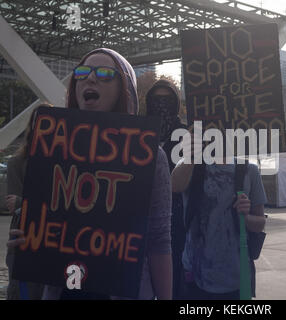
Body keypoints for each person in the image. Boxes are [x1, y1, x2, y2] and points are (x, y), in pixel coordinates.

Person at [7, 48, 173, 300]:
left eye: (105, 73)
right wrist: (28, 240)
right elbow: (42, 218)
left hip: (125, 290)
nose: (90, 79)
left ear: (124, 88)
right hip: (62, 291)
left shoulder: (150, 156)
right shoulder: (51, 148)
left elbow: (160, 240)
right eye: (82, 72)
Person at [171, 141, 267, 300]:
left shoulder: (249, 170)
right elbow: (174, 186)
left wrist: (245, 216)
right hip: (194, 278)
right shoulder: (191, 166)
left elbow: (260, 223)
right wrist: (192, 154)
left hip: (236, 280)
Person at [146, 79, 187, 299]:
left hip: (177, 219)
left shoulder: (184, 134)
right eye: (156, 100)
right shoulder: (136, 131)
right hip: (141, 217)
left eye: (167, 101)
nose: (161, 105)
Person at [5, 108, 45, 300]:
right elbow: (14, 204)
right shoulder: (17, 163)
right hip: (21, 242)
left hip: (50, 243)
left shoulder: (61, 164)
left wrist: (27, 203)